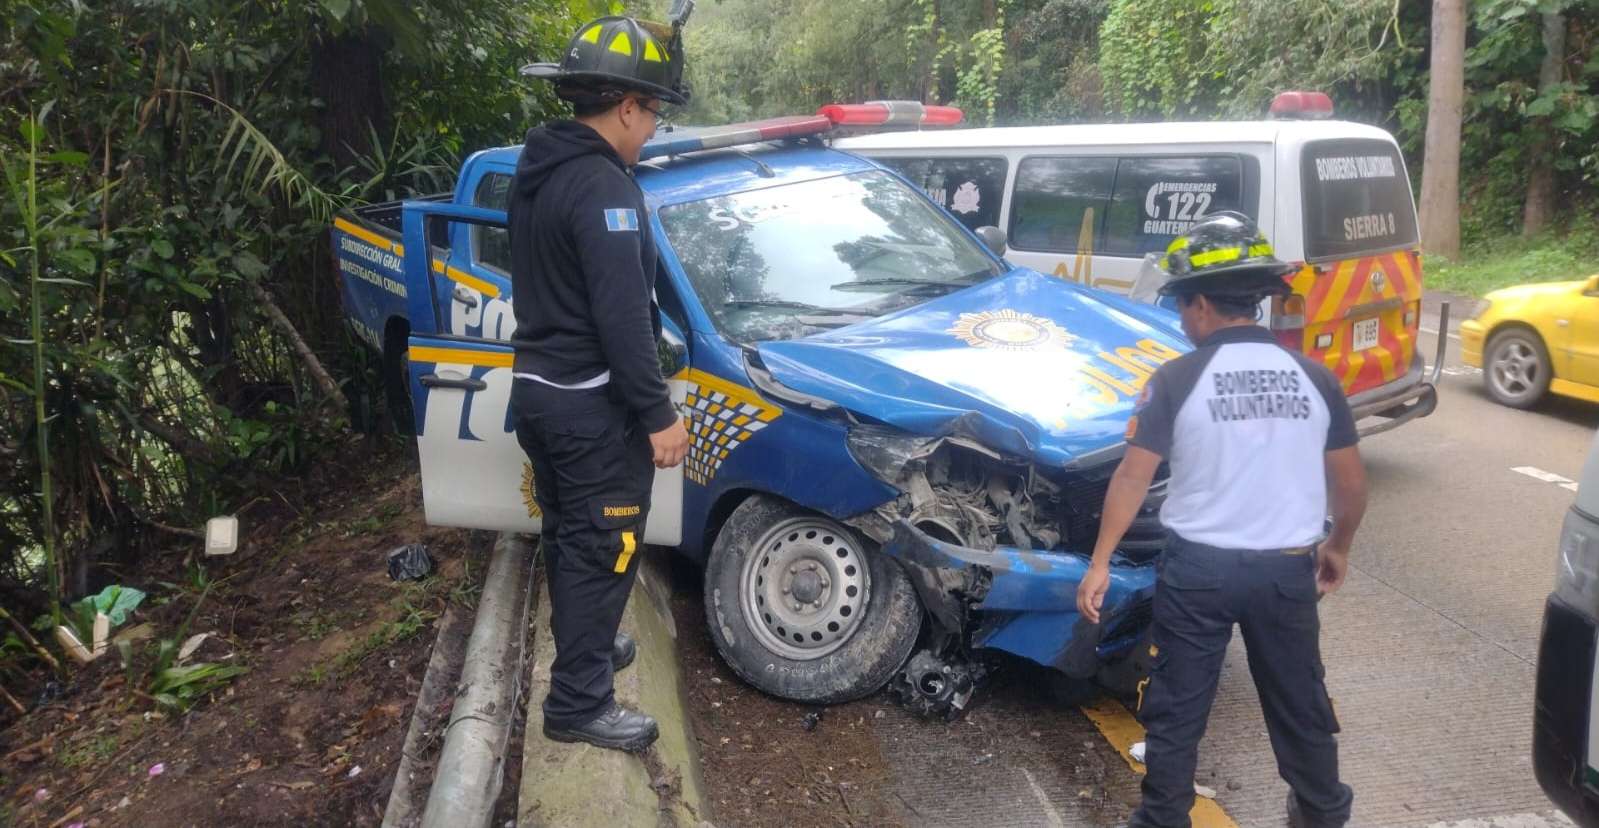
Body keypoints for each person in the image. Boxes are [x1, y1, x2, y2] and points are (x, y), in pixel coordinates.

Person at [1075, 212, 1369, 827]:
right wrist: (1338, 545)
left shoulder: (1176, 379)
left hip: (1198, 572)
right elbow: (1349, 481)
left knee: (1177, 708)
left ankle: (1163, 819)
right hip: (1286, 570)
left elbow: (1132, 476)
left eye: (1183, 306)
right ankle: (1320, 814)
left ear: (1204, 304)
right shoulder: (1316, 379)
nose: (1182, 320)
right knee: (1300, 703)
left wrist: (1100, 561)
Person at [508, 16, 692, 753]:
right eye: (652, 113)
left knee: (570, 536)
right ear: (625, 107)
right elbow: (622, 317)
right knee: (605, 546)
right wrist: (657, 414)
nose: (651, 129)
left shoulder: (542, 170)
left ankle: (586, 651)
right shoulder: (603, 187)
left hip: (542, 394)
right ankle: (579, 703)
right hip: (589, 408)